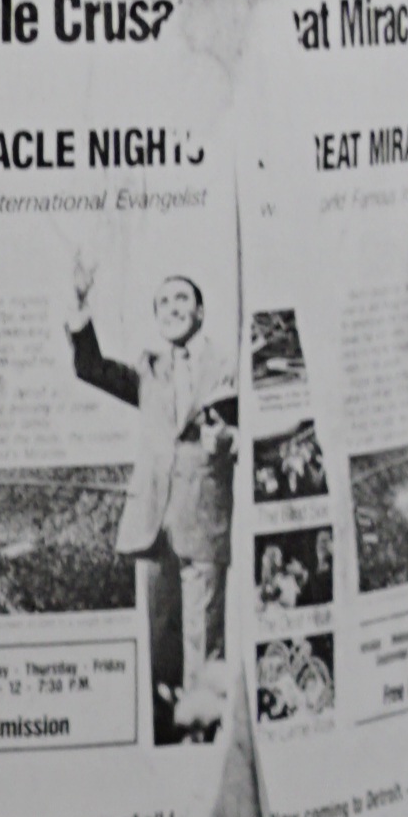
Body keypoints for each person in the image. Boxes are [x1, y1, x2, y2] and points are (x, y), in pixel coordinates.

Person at [66, 254, 240, 737]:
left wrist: (229, 439)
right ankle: (168, 743)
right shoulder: (148, 369)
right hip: (153, 523)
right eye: (163, 301)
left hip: (205, 519)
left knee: (203, 641)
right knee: (161, 642)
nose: (172, 307)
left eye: (181, 298)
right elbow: (92, 368)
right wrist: (81, 304)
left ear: (200, 312)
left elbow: (247, 426)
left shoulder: (228, 363)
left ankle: (204, 742)